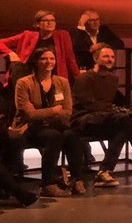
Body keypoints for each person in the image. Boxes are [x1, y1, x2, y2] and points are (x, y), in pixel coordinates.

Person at [72, 43, 132, 187]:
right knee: (123, 120)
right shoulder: (84, 78)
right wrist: (113, 112)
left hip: (104, 119)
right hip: (84, 119)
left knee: (123, 129)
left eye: (112, 57)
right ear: (95, 59)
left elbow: (109, 104)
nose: (110, 59)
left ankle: (103, 172)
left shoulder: (113, 79)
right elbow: (88, 104)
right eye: (106, 56)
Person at [11, 48, 89, 197]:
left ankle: (77, 179)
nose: (49, 62)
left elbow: (67, 111)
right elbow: (29, 114)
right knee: (54, 136)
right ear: (36, 62)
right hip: (29, 127)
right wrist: (54, 110)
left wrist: (45, 113)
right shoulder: (24, 83)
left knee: (72, 135)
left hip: (55, 125)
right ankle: (48, 184)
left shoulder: (62, 82)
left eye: (52, 58)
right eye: (44, 59)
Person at [1, 10, 80, 82]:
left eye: (52, 20)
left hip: (54, 78)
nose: (50, 23)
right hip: (27, 78)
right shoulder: (27, 35)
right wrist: (11, 53)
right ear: (37, 24)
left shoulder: (62, 36)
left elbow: (70, 59)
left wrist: (79, 79)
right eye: (46, 20)